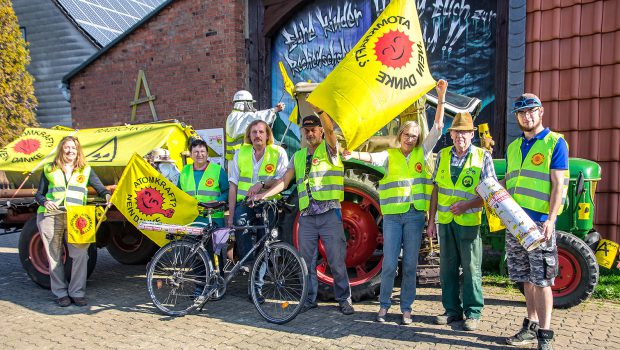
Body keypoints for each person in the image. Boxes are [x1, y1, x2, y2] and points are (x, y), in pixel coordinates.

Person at [342, 79, 448, 324]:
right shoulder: (389, 156)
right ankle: (384, 306)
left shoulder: (423, 153)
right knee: (389, 265)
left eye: (414, 135)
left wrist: (440, 97)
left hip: (413, 217)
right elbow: (370, 157)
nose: (410, 139)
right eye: (407, 135)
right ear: (400, 136)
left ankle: (407, 309)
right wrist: (352, 154)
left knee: (410, 265)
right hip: (392, 218)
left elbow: (439, 128)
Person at [250, 111, 354, 315]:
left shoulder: (330, 149)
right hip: (307, 216)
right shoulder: (297, 156)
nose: (309, 134)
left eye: (313, 130)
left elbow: (332, 132)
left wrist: (323, 112)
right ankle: (309, 299)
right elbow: (283, 182)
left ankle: (344, 299)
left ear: (321, 132)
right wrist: (264, 193)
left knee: (336, 259)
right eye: (306, 130)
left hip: (329, 213)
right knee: (306, 262)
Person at [502, 94, 568, 350]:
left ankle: (545, 334)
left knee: (542, 281)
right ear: (517, 117)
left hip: (539, 224)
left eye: (531, 111)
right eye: (521, 113)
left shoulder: (555, 142)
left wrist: (551, 219)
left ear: (540, 112)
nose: (526, 116)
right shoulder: (513, 147)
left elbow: (558, 185)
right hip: (516, 225)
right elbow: (510, 184)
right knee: (525, 279)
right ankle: (529, 326)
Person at [427, 111, 497, 331]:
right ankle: (451, 311)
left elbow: (491, 193)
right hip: (445, 221)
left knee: (470, 268)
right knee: (446, 268)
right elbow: (436, 189)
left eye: (465, 132)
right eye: (457, 131)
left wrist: (467, 205)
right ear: (452, 134)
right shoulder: (443, 155)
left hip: (469, 223)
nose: (461, 136)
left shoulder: (483, 157)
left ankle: (473, 312)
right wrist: (431, 221)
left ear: (471, 134)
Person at [34, 136, 111, 307]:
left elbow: (101, 189)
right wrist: (45, 201)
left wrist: (107, 196)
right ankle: (61, 293)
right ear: (61, 149)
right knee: (54, 256)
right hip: (50, 215)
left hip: (77, 218)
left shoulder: (85, 169)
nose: (70, 151)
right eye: (67, 147)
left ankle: (77, 292)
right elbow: (38, 194)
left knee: (81, 255)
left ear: (78, 151)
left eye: (74, 148)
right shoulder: (49, 169)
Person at [227, 119, 288, 302]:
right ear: (249, 135)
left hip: (268, 202)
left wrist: (262, 185)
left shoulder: (278, 152)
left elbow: (282, 181)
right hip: (245, 202)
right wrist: (230, 214)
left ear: (268, 135)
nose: (257, 135)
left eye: (261, 132)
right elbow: (233, 185)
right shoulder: (240, 153)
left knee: (264, 242)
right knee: (239, 225)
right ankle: (248, 263)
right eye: (254, 132)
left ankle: (256, 288)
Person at [178, 139, 228, 284]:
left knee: (215, 254)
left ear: (207, 154)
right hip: (193, 219)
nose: (200, 155)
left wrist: (218, 201)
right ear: (191, 155)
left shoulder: (217, 170)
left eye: (202, 151)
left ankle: (218, 284)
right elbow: (179, 193)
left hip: (214, 218)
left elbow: (227, 191)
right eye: (196, 152)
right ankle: (200, 285)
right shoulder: (185, 171)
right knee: (195, 253)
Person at [225, 90, 285, 161]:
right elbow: (254, 117)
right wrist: (274, 110)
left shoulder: (235, 116)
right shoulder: (235, 117)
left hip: (240, 156)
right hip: (237, 158)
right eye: (250, 103)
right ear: (244, 103)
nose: (251, 106)